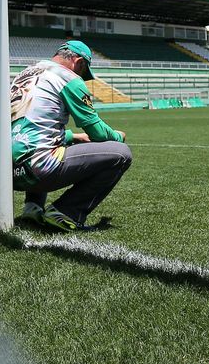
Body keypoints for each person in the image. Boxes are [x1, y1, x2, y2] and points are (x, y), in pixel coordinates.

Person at [10, 40, 132, 231]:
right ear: (79, 62)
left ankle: (32, 208)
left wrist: (73, 136)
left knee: (43, 146)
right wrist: (117, 135)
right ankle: (66, 213)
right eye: (83, 71)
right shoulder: (68, 78)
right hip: (39, 170)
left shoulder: (25, 73)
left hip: (6, 173)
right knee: (121, 154)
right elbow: (98, 133)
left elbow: (29, 126)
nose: (81, 75)